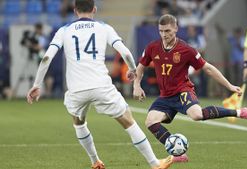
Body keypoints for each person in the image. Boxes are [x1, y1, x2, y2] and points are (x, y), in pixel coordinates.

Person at [26, 1, 173, 169]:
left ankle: (95, 161)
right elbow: (125, 51)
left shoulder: (64, 30)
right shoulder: (104, 27)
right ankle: (154, 163)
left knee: (79, 123)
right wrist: (133, 69)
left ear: (75, 11)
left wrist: (37, 84)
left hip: (76, 90)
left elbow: (46, 58)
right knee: (128, 121)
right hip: (101, 86)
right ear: (94, 9)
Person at [133, 14, 247, 163]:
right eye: (161, 31)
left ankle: (238, 112)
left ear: (176, 29)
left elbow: (208, 69)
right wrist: (136, 85)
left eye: (168, 31)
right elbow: (140, 67)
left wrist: (229, 85)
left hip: (182, 91)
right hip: (165, 96)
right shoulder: (152, 47)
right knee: (150, 121)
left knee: (197, 115)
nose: (164, 35)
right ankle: (178, 154)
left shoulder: (186, 49)